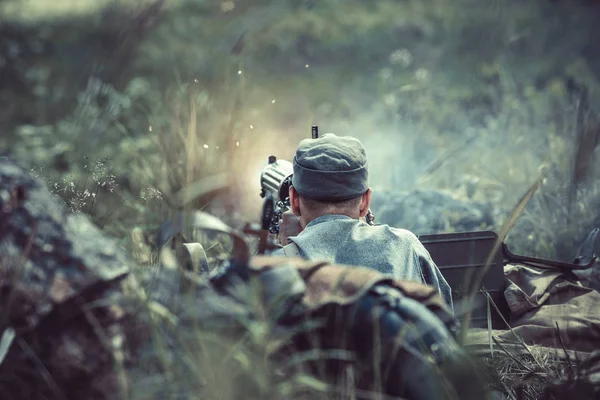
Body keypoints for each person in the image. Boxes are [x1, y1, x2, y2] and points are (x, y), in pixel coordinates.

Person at [271, 132, 453, 309]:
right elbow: (444, 316)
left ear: (294, 201)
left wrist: (287, 249)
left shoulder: (276, 266)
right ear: (365, 201)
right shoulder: (406, 246)